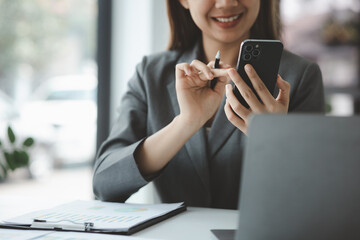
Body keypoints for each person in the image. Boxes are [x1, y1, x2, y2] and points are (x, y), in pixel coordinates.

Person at [93, 0, 324, 209]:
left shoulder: (299, 77)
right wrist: (185, 123)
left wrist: (273, 139)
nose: (226, 3)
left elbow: (315, 198)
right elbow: (105, 183)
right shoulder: (150, 74)